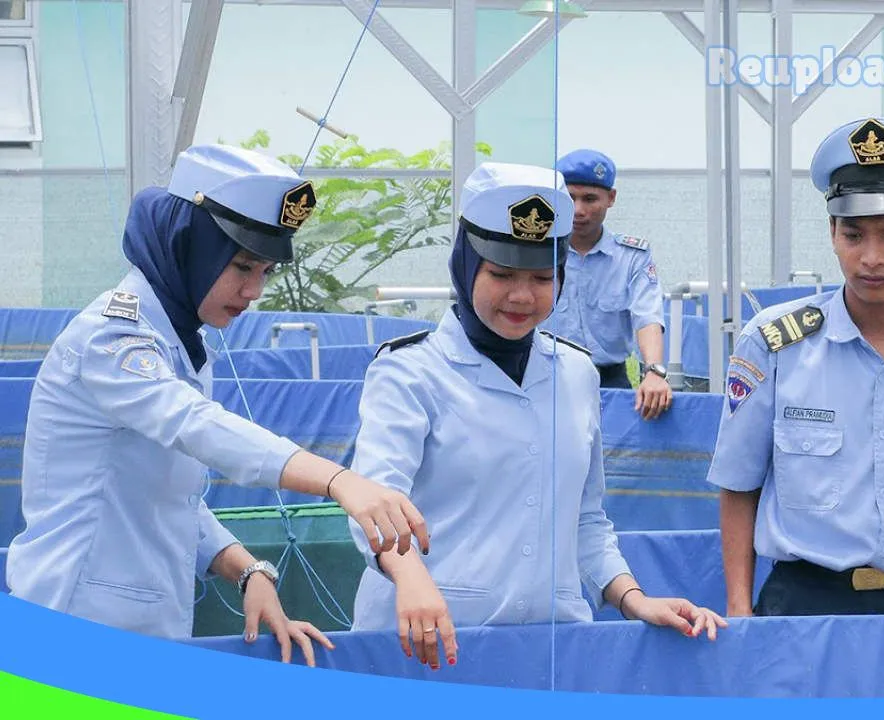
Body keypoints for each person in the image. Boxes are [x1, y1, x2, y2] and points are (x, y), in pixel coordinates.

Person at [7, 144, 428, 663]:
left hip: (140, 634)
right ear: (189, 246)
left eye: (266, 271)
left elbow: (167, 494)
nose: (253, 290)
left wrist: (245, 570)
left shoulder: (179, 338)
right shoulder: (111, 338)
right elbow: (196, 426)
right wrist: (340, 481)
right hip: (75, 630)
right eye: (241, 265)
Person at [346, 161, 726, 669]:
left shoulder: (576, 372)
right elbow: (373, 505)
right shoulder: (410, 372)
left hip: (551, 650)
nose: (522, 295)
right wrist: (411, 576)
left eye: (543, 277)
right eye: (501, 274)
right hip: (427, 646)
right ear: (465, 267)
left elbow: (586, 519)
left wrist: (635, 600)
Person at [707, 117, 884, 618]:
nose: (872, 258)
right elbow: (739, 482)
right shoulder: (775, 344)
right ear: (832, 234)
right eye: (854, 234)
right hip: (799, 604)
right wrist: (739, 610)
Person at [541, 148, 671, 420]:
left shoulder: (631, 256)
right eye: (569, 198)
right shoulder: (536, 250)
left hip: (609, 381)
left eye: (590, 199)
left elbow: (646, 315)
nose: (578, 210)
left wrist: (654, 372)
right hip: (543, 379)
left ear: (611, 198)